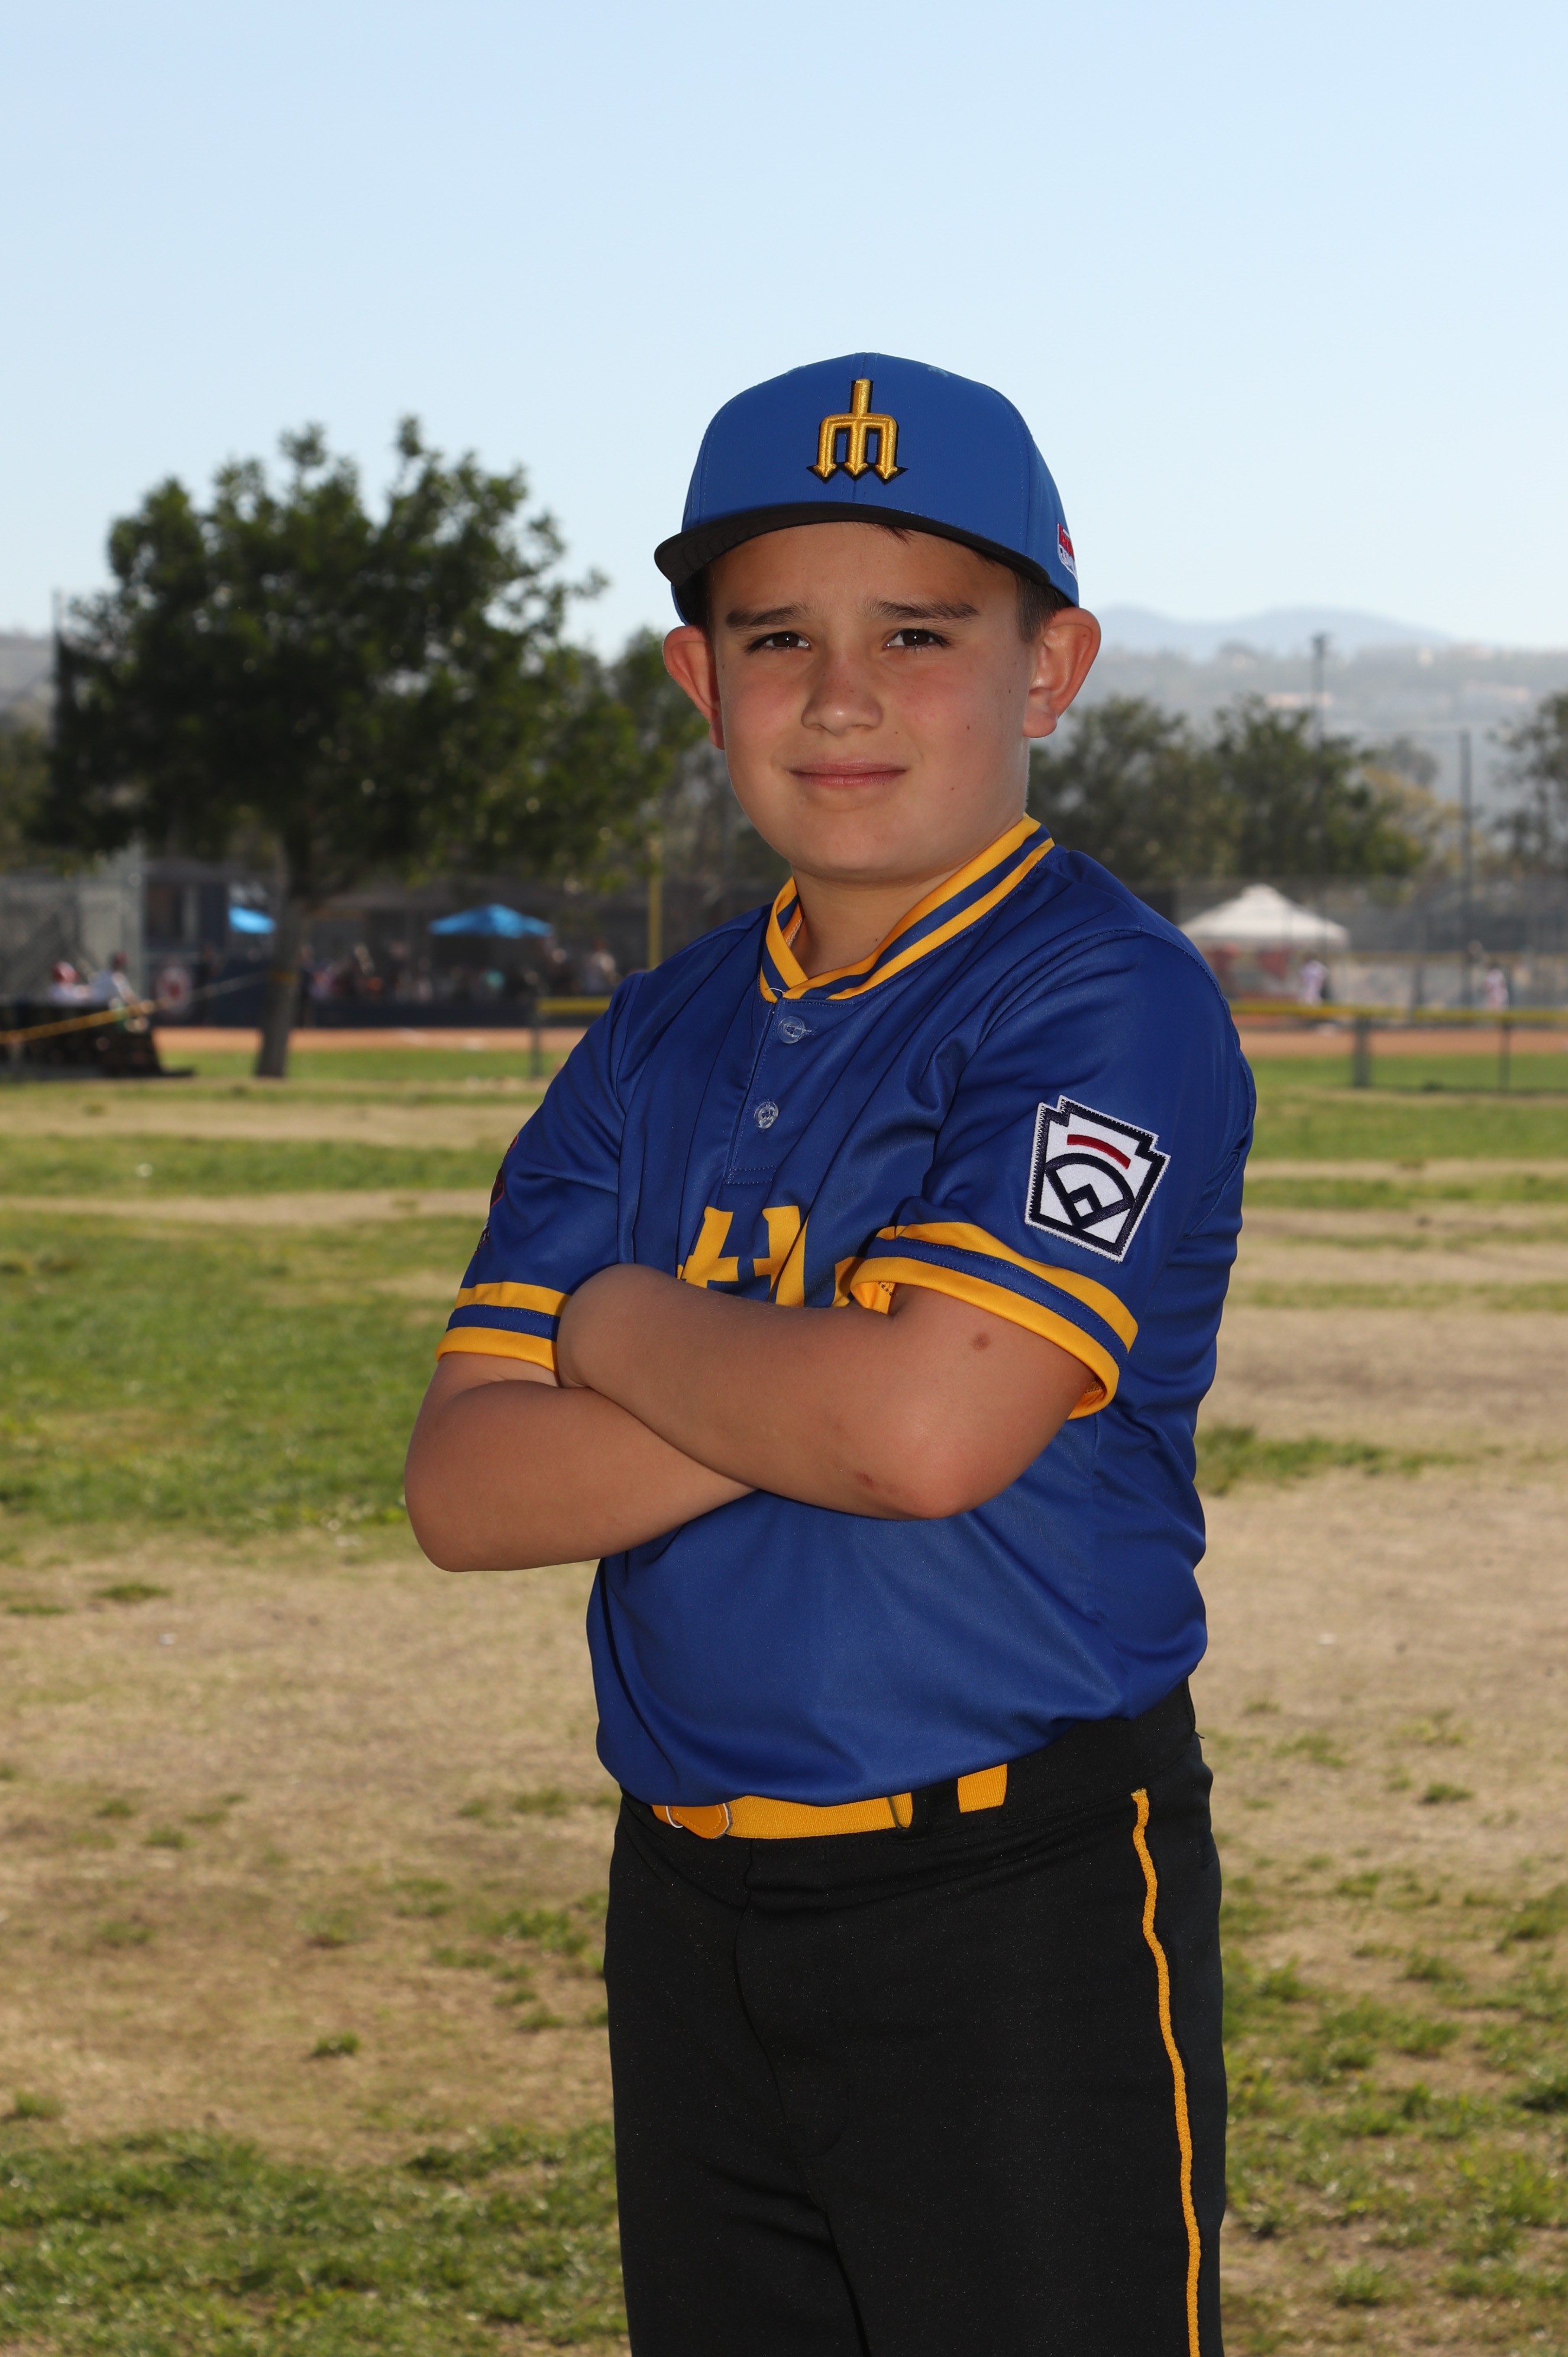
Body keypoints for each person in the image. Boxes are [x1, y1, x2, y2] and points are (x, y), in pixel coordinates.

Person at [405, 353, 1254, 2357]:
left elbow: (928, 1436)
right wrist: (838, 1365)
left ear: (1052, 668)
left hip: (1018, 1895)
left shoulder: (1103, 999)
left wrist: (617, 1324)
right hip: (688, 1902)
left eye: (921, 634)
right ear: (699, 681)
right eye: (776, 636)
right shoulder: (654, 1036)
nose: (842, 695)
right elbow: (468, 1490)